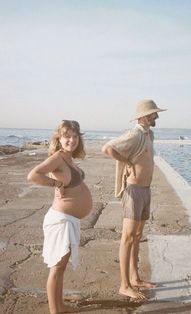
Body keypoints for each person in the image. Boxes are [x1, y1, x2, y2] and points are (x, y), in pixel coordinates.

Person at [101, 99, 167, 300]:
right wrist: (127, 161)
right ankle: (124, 285)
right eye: (154, 113)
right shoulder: (136, 133)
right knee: (128, 238)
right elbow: (107, 148)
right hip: (134, 191)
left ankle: (135, 278)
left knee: (137, 235)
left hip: (145, 190)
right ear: (144, 116)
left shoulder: (149, 134)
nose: (157, 116)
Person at [27, 120, 92, 314]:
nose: (71, 140)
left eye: (74, 136)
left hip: (68, 220)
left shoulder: (68, 158)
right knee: (57, 268)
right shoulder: (58, 157)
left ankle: (60, 305)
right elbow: (33, 175)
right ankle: (55, 310)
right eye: (67, 136)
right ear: (59, 138)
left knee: (61, 267)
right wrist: (55, 185)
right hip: (60, 220)